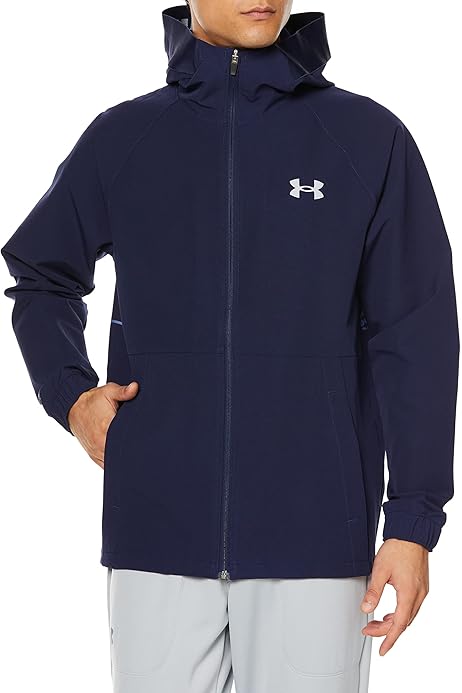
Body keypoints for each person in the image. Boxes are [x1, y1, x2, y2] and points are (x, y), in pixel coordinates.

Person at [1, 2, 459, 691]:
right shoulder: (125, 137)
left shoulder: (366, 139)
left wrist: (413, 521)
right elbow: (41, 274)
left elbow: (416, 332)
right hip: (156, 532)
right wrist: (72, 395)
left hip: (315, 539)